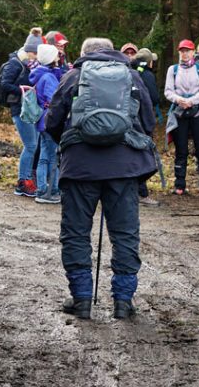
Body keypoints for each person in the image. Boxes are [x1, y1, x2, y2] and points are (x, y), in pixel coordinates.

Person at [45, 37, 157, 320]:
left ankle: (82, 298)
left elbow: (52, 122)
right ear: (114, 51)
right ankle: (123, 300)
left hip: (80, 168)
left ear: (84, 55)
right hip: (124, 167)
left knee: (76, 233)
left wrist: (74, 142)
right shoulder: (131, 76)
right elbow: (147, 120)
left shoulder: (73, 76)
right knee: (125, 234)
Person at [164, 39, 199, 195]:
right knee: (181, 150)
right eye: (182, 51)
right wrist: (179, 100)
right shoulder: (172, 70)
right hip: (179, 113)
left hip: (198, 113)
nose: (184, 53)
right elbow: (168, 91)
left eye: (187, 50)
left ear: (193, 52)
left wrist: (191, 101)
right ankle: (179, 185)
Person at [7, 29, 42, 197]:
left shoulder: (34, 65)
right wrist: (23, 91)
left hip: (30, 109)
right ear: (30, 51)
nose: (35, 56)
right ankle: (23, 181)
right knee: (31, 145)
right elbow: (4, 85)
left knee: (33, 145)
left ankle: (26, 180)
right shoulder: (16, 63)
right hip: (19, 108)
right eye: (34, 52)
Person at [31, 43, 65, 203]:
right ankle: (52, 190)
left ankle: (42, 189)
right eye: (56, 55)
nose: (59, 57)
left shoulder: (42, 74)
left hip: (42, 122)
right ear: (52, 59)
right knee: (53, 158)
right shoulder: (49, 77)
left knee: (44, 156)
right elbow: (54, 100)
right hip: (49, 121)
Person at [129, 48, 161, 207]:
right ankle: (142, 193)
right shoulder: (147, 75)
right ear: (150, 62)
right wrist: (150, 124)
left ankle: (133, 191)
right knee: (143, 156)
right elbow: (154, 98)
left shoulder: (128, 72)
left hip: (128, 121)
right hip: (141, 121)